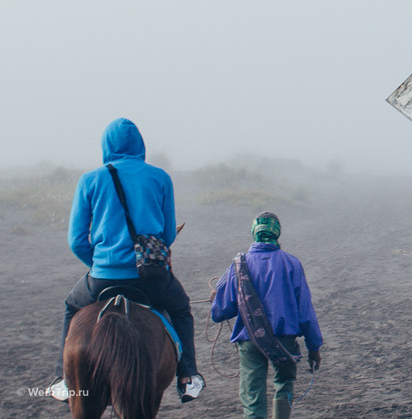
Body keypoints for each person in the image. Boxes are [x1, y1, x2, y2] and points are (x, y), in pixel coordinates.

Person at [49, 118, 204, 402]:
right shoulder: (160, 177)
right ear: (140, 145)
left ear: (106, 146)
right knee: (181, 308)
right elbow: (167, 234)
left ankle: (62, 377)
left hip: (102, 278)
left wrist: (99, 264)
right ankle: (188, 376)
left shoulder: (90, 179)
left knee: (72, 306)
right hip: (150, 277)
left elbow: (76, 240)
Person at [211, 211, 323, 419]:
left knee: (252, 392)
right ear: (277, 233)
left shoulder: (239, 264)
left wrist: (217, 296)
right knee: (284, 383)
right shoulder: (292, 264)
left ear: (254, 232)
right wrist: (314, 347)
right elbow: (305, 311)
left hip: (250, 339)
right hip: (284, 339)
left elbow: (220, 312)